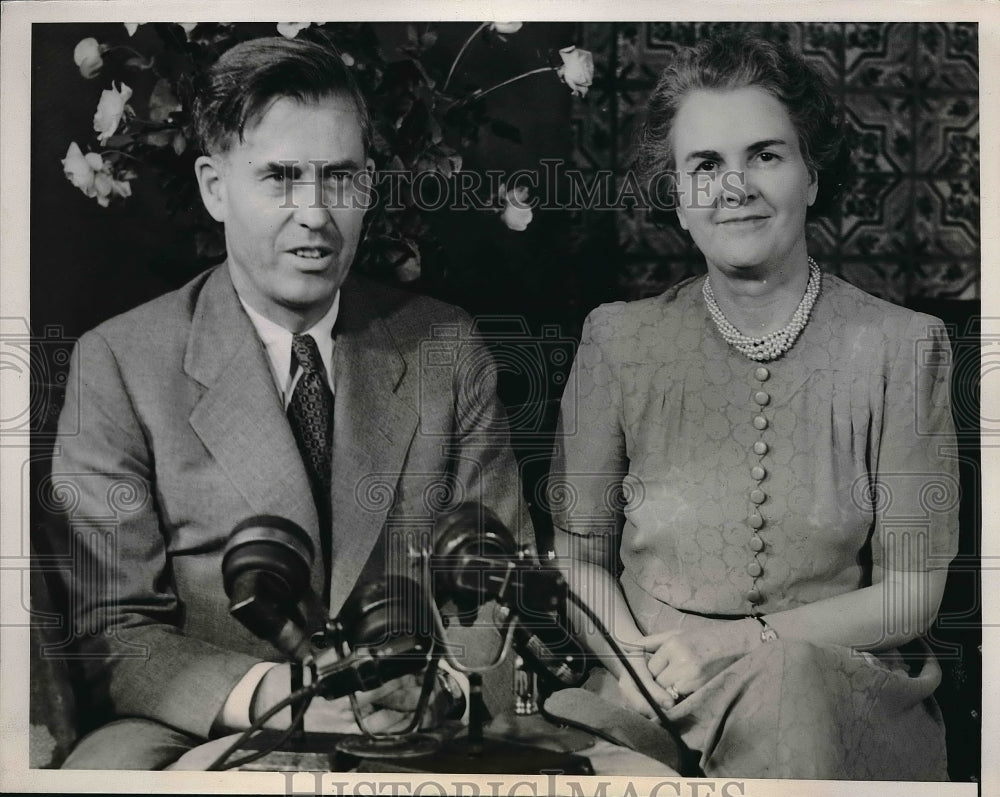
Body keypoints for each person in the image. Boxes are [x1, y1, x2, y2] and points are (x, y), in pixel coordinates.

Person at [48, 37, 530, 769]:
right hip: (208, 725)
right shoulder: (118, 362)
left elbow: (499, 588)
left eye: (338, 176)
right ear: (214, 187)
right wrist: (286, 689)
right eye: (279, 177)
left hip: (415, 726)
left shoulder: (445, 346)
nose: (314, 213)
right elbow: (114, 630)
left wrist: (445, 691)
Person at [549, 34, 959, 780]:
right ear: (674, 193)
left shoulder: (902, 347)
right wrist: (635, 665)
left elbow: (913, 594)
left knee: (790, 690)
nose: (734, 186)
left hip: (828, 696)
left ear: (810, 175)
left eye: (765, 155)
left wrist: (746, 644)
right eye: (705, 164)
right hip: (644, 694)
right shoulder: (617, 340)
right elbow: (577, 558)